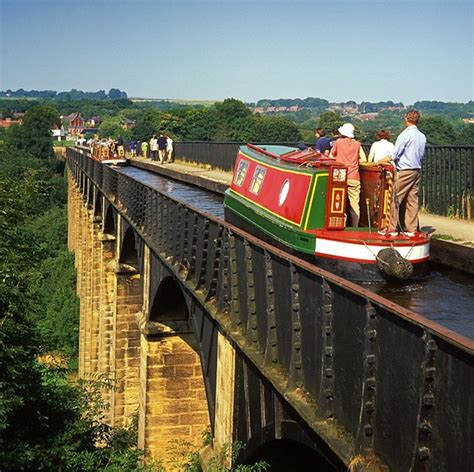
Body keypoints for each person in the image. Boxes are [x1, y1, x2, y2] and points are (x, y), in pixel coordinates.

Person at [382, 110, 427, 237]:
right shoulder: (422, 136)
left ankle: (392, 228)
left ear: (406, 119)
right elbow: (422, 154)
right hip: (416, 169)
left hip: (405, 169)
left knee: (396, 198)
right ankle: (411, 229)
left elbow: (395, 153)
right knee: (412, 200)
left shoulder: (405, 135)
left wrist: (383, 160)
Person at [329, 123, 367, 227]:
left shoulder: (339, 142)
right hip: (354, 176)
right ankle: (355, 226)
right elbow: (364, 159)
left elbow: (331, 155)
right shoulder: (357, 144)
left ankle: (338, 224)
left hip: (340, 176)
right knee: (355, 205)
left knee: (338, 203)